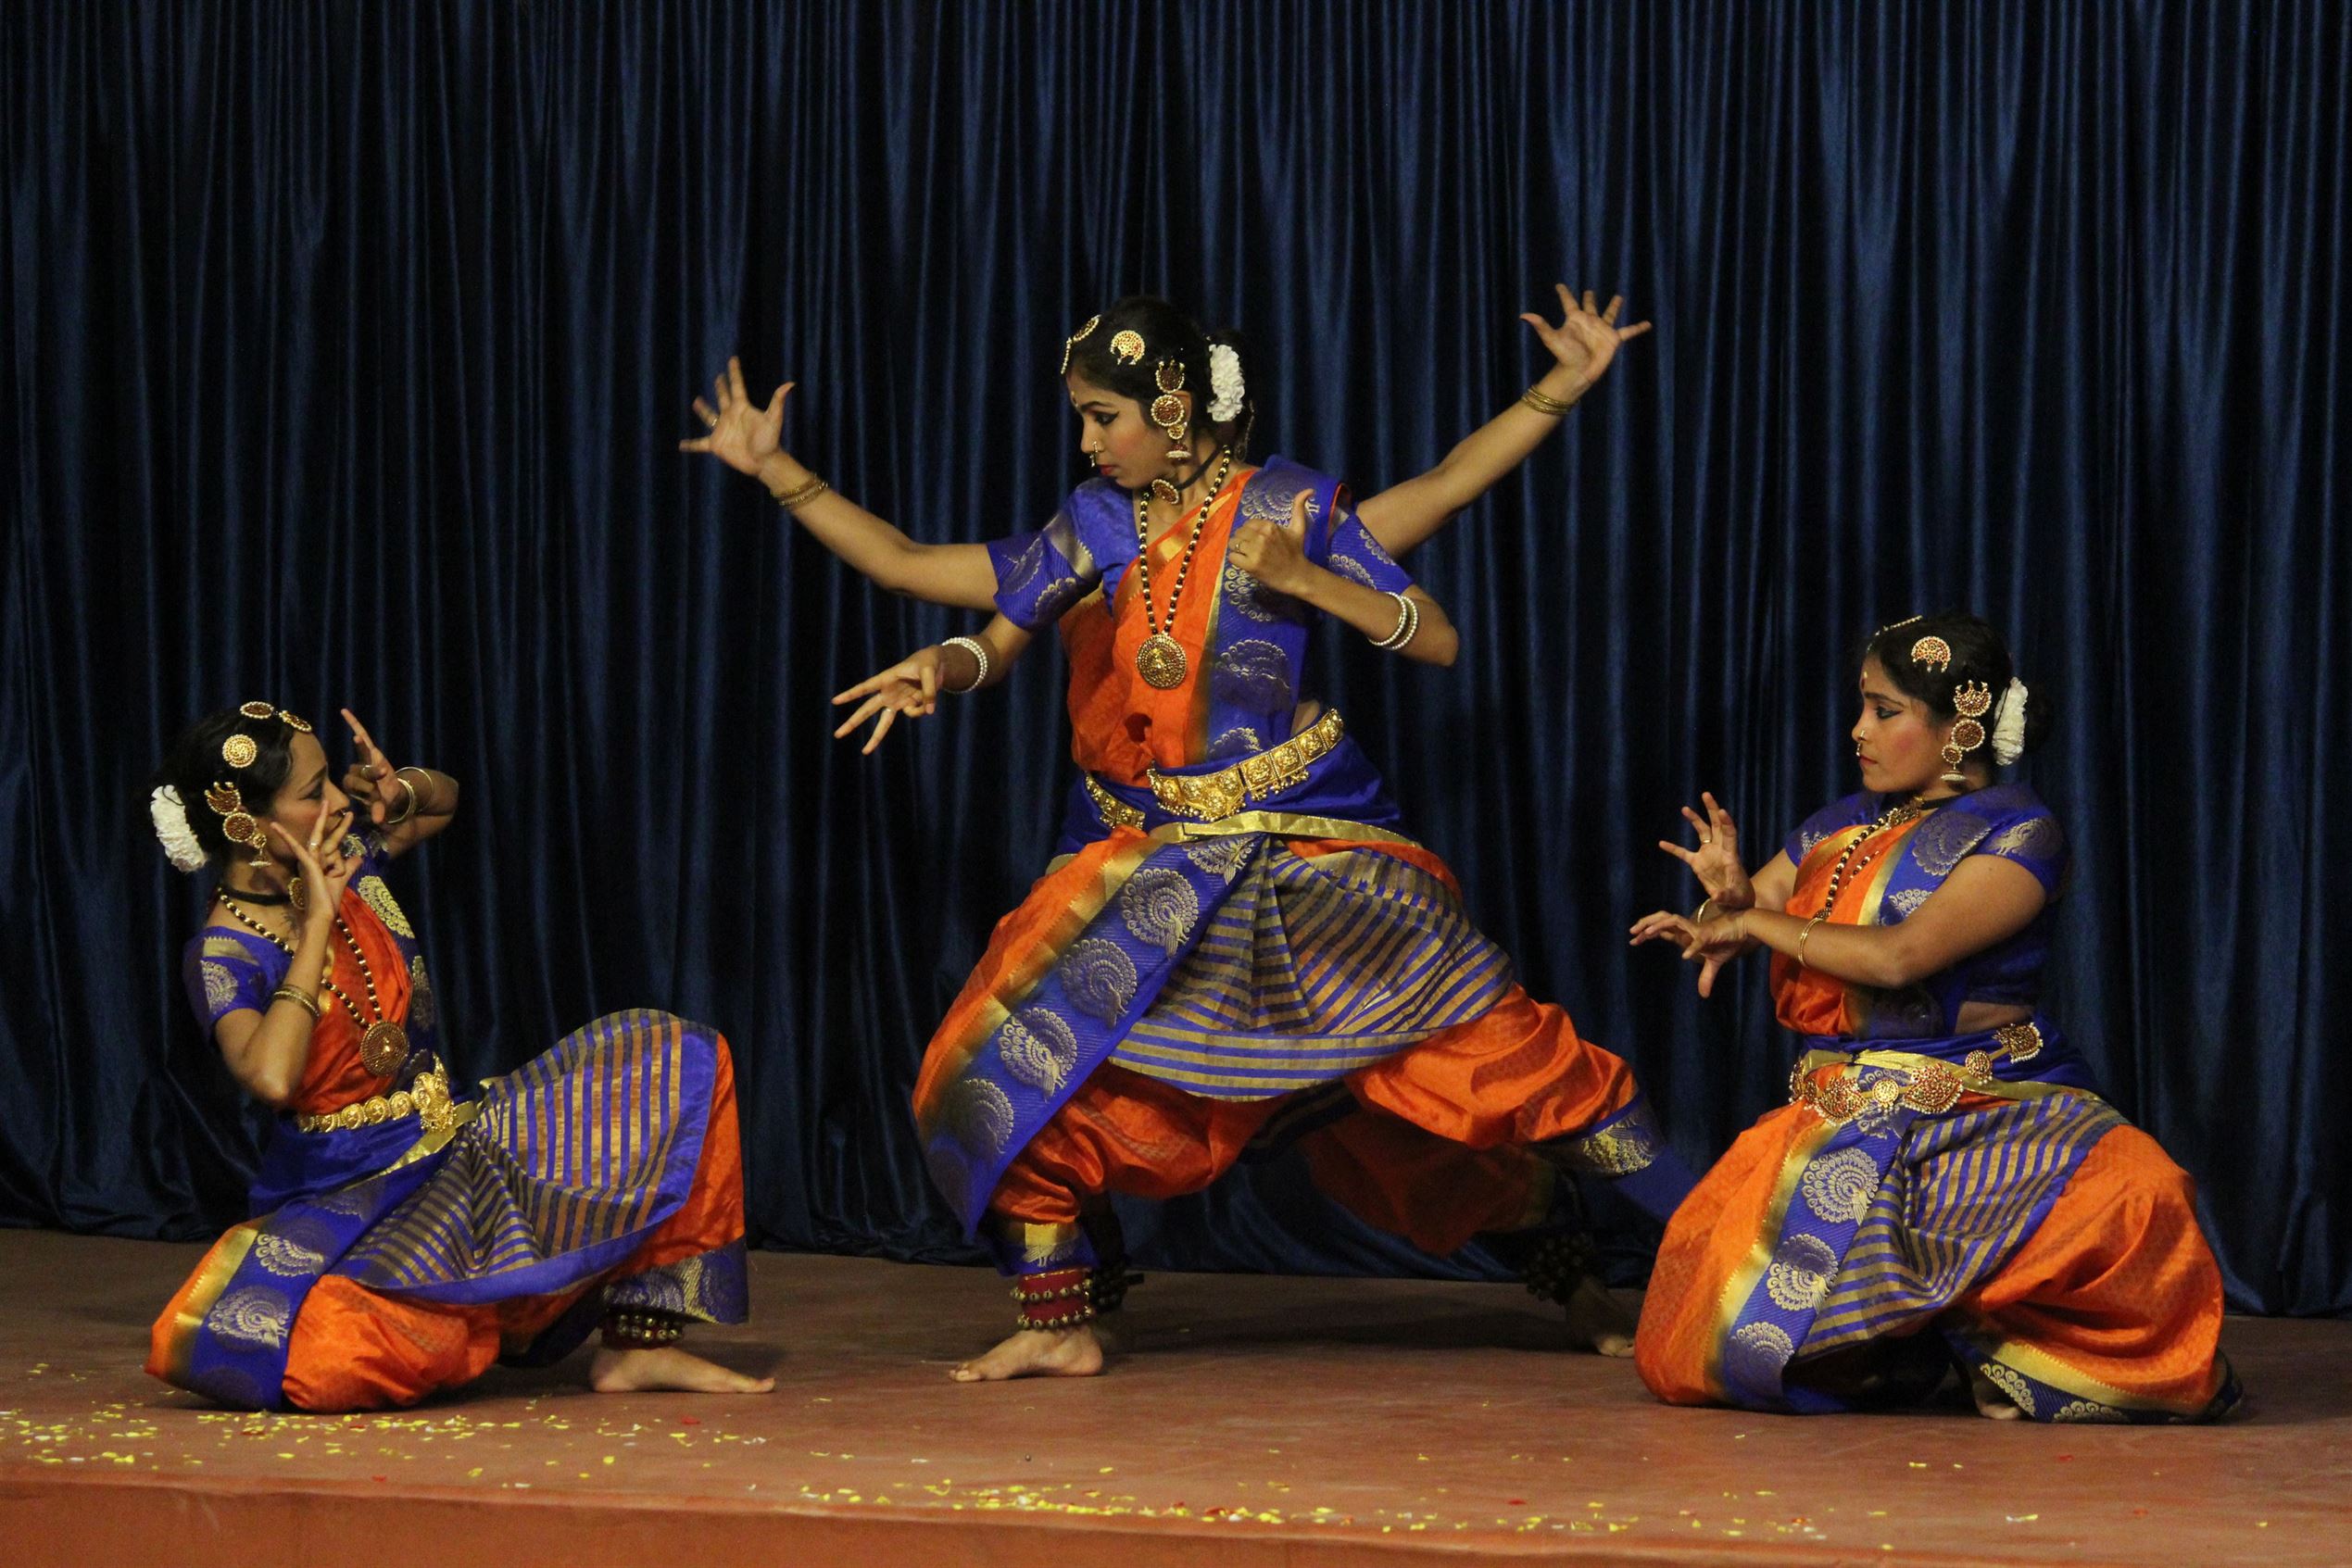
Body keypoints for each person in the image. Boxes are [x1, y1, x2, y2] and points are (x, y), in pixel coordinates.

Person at [691, 294, 1695, 1380]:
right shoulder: (1095, 524)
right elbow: (929, 586)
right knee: (991, 1073)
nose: (1086, 440)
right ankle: (1059, 1316)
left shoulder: (1290, 508)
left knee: (1507, 1074)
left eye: (1101, 416)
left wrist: (1551, 392)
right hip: (1161, 868)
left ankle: (1720, 1257)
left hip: (1312, 855)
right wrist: (926, 644)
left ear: (1171, 409)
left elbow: (1442, 552)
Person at [1628, 612, 2239, 1422]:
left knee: (2141, 1197)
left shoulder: (2020, 832)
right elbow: (1754, 910)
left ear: (1960, 727)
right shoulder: (1839, 823)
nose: (1858, 729)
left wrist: (1753, 922)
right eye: (1862, 706)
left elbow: (1898, 957)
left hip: (1995, 1099)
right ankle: (1918, 1346)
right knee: (1707, 1337)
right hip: (1843, 1110)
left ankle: (1992, 1342)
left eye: (1884, 710)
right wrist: (1729, 901)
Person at [146, 704, 772, 1411]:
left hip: (457, 1145)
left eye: (333, 782)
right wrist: (318, 920)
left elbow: (443, 801)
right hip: (351, 1198)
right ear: (249, 825)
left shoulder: (348, 856)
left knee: (681, 1058)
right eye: (314, 791)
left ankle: (637, 1346)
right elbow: (269, 1076)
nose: (339, 802)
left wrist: (399, 790)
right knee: (340, 1357)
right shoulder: (224, 954)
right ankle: (475, 1306)